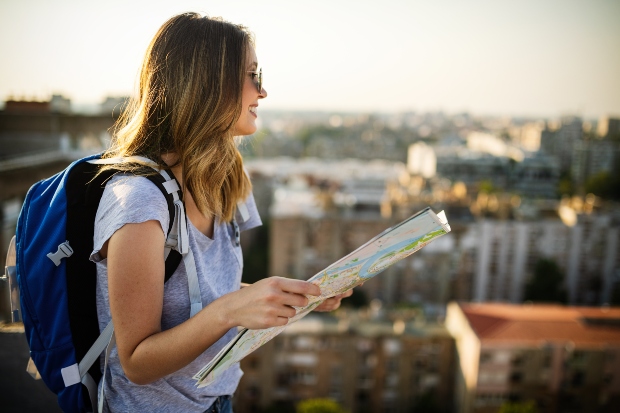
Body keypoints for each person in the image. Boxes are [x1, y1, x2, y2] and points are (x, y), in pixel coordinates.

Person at [91, 12, 351, 413]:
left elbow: (207, 298)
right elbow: (137, 362)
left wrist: (294, 296)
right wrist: (231, 311)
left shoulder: (228, 179)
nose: (262, 92)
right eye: (252, 74)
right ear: (206, 84)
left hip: (217, 401)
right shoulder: (139, 202)